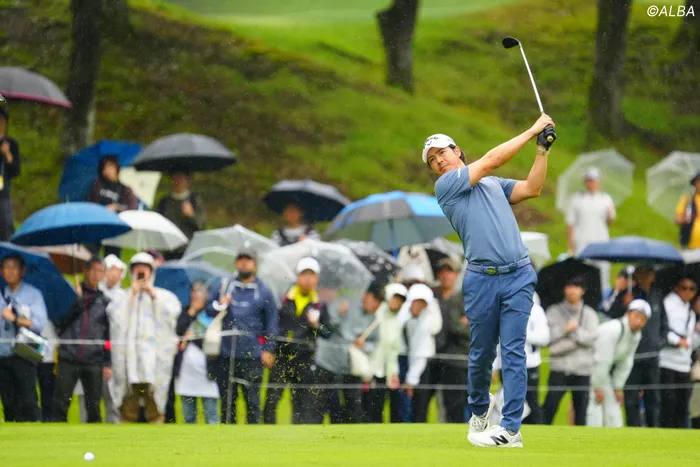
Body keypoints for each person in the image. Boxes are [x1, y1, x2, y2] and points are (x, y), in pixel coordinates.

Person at [424, 113, 555, 447]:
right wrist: (532, 129)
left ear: (457, 151)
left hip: (519, 275)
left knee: (513, 351)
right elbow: (493, 159)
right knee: (482, 354)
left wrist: (542, 150)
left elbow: (532, 188)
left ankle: (510, 429)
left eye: (442, 153)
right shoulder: (447, 187)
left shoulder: (494, 185)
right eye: (432, 160)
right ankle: (480, 410)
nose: (438, 161)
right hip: (481, 279)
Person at [206, 248, 278, 424]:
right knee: (227, 404)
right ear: (235, 263)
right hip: (226, 355)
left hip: (252, 356)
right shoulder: (224, 286)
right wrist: (220, 305)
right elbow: (208, 310)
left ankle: (253, 439)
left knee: (253, 403)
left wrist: (268, 349)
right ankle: (227, 439)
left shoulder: (264, 291)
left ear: (255, 264)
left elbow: (271, 323)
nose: (244, 263)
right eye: (240, 260)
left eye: (248, 260)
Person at [110, 252, 181, 424]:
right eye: (137, 270)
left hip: (154, 359)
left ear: (151, 272)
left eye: (144, 270)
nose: (141, 274)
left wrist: (153, 295)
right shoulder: (122, 296)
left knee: (154, 400)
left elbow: (172, 315)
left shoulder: (164, 296)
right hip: (129, 359)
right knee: (129, 400)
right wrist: (132, 296)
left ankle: (156, 419)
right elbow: (115, 318)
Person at [264, 257, 330, 424]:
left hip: (305, 357)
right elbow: (272, 325)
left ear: (317, 278)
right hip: (282, 355)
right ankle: (266, 434)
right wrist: (269, 349)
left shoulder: (320, 304)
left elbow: (327, 332)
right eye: (304, 274)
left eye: (311, 275)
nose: (307, 279)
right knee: (272, 399)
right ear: (298, 276)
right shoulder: (283, 298)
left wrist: (316, 325)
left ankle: (300, 435)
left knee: (302, 401)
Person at [314, 281, 383, 424]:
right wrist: (339, 315)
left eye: (380, 302)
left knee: (354, 408)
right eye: (375, 299)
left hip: (352, 368)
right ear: (367, 295)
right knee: (324, 406)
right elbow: (327, 330)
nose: (377, 305)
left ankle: (353, 436)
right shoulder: (344, 304)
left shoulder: (374, 320)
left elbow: (374, 343)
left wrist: (364, 345)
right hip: (330, 364)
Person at [52, 258, 112, 423]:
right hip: (68, 357)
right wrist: (76, 301)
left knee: (93, 405)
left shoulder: (105, 301)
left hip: (94, 359)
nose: (96, 274)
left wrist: (107, 362)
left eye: (100, 271)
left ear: (104, 275)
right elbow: (59, 324)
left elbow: (107, 335)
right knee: (61, 402)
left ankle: (94, 436)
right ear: (85, 271)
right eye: (93, 270)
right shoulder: (70, 295)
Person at [542, 276, 599, 426]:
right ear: (564, 289)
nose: (573, 290)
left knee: (581, 413)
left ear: (583, 290)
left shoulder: (590, 314)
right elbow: (547, 339)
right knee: (549, 409)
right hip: (559, 368)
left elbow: (593, 339)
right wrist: (565, 329)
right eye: (570, 286)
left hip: (582, 370)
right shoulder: (554, 311)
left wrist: (574, 331)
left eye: (576, 287)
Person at [587, 299, 651, 428]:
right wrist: (597, 387)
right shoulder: (614, 329)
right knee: (595, 407)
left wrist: (617, 387)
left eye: (643, 319)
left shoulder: (636, 335)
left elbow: (626, 362)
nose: (639, 322)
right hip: (588, 369)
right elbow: (602, 359)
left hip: (602, 372)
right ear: (628, 313)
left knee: (614, 409)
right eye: (636, 316)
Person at [0, 254, 48, 422]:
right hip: (3, 353)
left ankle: (34, 430)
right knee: (8, 400)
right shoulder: (1, 294)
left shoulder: (33, 294)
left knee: (28, 399)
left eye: (14, 267)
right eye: (6, 267)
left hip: (23, 353)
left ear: (22, 271)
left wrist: (15, 318)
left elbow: (39, 323)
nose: (10, 271)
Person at [425, 258, 469, 424]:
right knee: (422, 401)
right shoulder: (430, 296)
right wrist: (460, 322)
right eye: (442, 272)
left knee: (454, 405)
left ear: (457, 275)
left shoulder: (464, 299)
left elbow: (475, 327)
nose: (446, 275)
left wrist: (459, 325)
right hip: (430, 357)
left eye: (450, 272)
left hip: (454, 360)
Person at [493, 298, 550, 425]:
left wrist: (521, 333)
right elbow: (497, 341)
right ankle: (508, 429)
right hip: (507, 365)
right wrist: (494, 366)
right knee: (508, 402)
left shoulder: (536, 310)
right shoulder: (503, 309)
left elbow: (545, 338)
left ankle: (536, 431)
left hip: (529, 365)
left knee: (532, 402)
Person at [623, 268, 664, 428]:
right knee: (631, 398)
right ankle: (633, 430)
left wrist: (658, 343)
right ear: (637, 275)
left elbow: (664, 324)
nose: (646, 276)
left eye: (648, 273)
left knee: (653, 398)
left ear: (653, 276)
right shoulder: (628, 294)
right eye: (642, 273)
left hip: (652, 356)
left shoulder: (658, 295)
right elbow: (614, 315)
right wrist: (624, 304)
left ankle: (653, 430)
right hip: (632, 356)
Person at [175, 282, 220, 424]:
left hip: (208, 370)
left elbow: (211, 340)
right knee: (188, 416)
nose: (196, 295)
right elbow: (179, 330)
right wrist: (192, 311)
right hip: (187, 371)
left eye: (200, 291)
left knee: (211, 415)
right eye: (194, 291)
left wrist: (193, 334)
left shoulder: (212, 313)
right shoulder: (184, 311)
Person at [659, 276, 700, 428]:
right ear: (677, 288)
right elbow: (663, 329)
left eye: (692, 289)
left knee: (682, 406)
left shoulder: (690, 311)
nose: (688, 292)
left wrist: (697, 333)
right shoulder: (668, 303)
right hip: (667, 362)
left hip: (684, 364)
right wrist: (677, 340)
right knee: (668, 404)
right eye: (684, 288)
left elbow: (692, 343)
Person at [566, 167, 616, 290]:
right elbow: (571, 224)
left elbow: (610, 221)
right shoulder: (577, 199)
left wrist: (609, 215)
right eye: (588, 180)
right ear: (585, 182)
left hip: (601, 242)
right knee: (582, 273)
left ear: (599, 181)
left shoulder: (606, 199)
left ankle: (603, 295)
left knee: (603, 273)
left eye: (593, 180)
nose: (591, 183)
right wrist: (570, 247)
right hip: (582, 242)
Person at [364, 283, 407, 423]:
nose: (397, 302)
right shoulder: (376, 314)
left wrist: (393, 373)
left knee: (378, 409)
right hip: (366, 371)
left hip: (383, 373)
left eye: (400, 300)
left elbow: (393, 350)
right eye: (395, 298)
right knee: (364, 410)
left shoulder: (396, 322)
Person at [401, 283, 443, 423]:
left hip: (423, 365)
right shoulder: (409, 317)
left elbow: (420, 351)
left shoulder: (426, 321)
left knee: (420, 404)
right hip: (410, 362)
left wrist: (411, 379)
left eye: (422, 303)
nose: (418, 306)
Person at [85, 155, 138, 257]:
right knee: (90, 255)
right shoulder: (97, 185)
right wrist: (100, 210)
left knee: (112, 258)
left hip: (114, 227)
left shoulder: (124, 189)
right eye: (105, 167)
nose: (108, 170)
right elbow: (88, 204)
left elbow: (132, 207)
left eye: (111, 166)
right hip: (97, 225)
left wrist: (116, 207)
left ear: (117, 168)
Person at [96, 253, 126, 423]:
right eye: (110, 269)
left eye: (117, 270)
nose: (113, 274)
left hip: (116, 353)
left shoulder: (124, 296)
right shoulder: (95, 294)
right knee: (90, 399)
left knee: (114, 400)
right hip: (94, 353)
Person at [156, 171, 205, 261]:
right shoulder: (164, 201)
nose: (179, 181)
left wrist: (191, 215)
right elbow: (157, 226)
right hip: (169, 251)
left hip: (190, 250)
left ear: (187, 180)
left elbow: (200, 226)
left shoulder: (194, 200)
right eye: (176, 178)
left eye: (182, 178)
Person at [0, 105, 20, 241]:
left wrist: (7, 154)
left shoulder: (11, 144)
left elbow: (15, 171)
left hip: (3, 195)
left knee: (5, 231)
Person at [675, 172, 700, 249]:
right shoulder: (687, 199)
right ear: (694, 183)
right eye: (698, 182)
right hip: (689, 245)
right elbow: (677, 219)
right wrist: (685, 218)